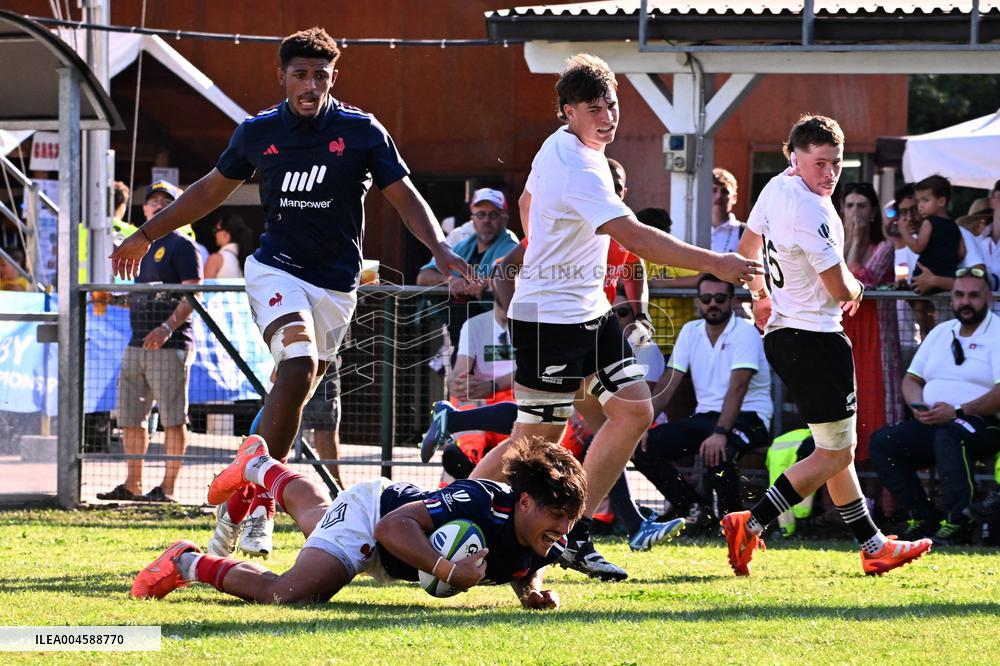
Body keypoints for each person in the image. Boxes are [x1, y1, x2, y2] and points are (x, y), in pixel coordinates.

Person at [110, 28, 466, 552]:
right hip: (275, 268)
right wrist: (145, 232)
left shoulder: (362, 131)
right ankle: (266, 501)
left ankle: (240, 505)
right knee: (296, 367)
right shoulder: (257, 133)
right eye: (300, 74)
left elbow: (405, 196)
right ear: (282, 77)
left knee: (292, 390)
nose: (310, 84)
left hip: (337, 286)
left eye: (320, 75)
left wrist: (442, 250)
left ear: (332, 78)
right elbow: (210, 189)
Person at [468, 53, 758, 581]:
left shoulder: (573, 150)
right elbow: (634, 236)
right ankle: (447, 512)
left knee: (634, 413)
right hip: (548, 319)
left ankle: (572, 535)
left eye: (613, 103)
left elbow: (528, 200)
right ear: (567, 112)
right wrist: (719, 262)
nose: (608, 115)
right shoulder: (578, 164)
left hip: (589, 311)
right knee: (531, 447)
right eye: (593, 107)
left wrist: (547, 245)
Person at [727, 114, 932, 577]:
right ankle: (751, 521)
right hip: (815, 338)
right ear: (793, 157)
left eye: (836, 164)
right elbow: (840, 287)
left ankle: (872, 544)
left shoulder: (777, 187)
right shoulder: (813, 209)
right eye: (819, 163)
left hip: (786, 333)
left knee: (833, 445)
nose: (829, 174)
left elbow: (746, 248)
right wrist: (859, 291)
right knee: (837, 452)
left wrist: (759, 297)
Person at [131, 435, 584, 611]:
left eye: (570, 521)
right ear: (524, 501)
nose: (563, 530)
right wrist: (447, 570)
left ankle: (259, 467)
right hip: (377, 515)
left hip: (395, 555)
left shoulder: (538, 538)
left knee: (315, 519)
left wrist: (531, 592)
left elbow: (522, 557)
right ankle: (187, 561)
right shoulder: (481, 499)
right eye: (556, 517)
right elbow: (391, 528)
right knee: (290, 594)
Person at [870, 267, 1000, 546]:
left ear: (988, 298)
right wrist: (918, 406)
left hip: (983, 422)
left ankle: (958, 521)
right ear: (951, 297)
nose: (966, 302)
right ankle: (924, 518)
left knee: (951, 433)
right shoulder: (942, 332)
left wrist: (957, 411)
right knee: (884, 442)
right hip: (935, 420)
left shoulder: (998, 333)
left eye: (974, 296)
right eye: (960, 295)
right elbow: (911, 379)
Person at [633, 274, 773, 529]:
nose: (713, 304)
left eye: (720, 298)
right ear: (698, 302)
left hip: (750, 416)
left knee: (720, 451)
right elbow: (669, 381)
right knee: (640, 448)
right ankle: (694, 509)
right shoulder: (690, 331)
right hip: (706, 418)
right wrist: (642, 423)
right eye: (706, 298)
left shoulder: (745, 332)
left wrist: (720, 432)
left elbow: (738, 387)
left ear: (731, 301)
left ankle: (735, 523)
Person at [98, 180, 202, 503]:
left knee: (173, 418)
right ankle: (133, 484)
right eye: (152, 201)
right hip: (136, 343)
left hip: (170, 344)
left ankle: (167, 489)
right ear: (143, 209)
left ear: (176, 208)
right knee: (130, 417)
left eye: (165, 201)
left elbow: (193, 294)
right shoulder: (137, 247)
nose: (157, 206)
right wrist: (111, 300)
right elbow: (141, 296)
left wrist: (167, 328)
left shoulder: (183, 245)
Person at [839, 182, 903, 457]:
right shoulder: (832, 247)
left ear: (874, 211)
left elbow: (856, 280)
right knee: (844, 408)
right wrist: (849, 243)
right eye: (850, 205)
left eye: (862, 206)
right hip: (843, 333)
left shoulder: (885, 247)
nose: (856, 212)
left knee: (877, 407)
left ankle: (884, 497)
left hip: (876, 336)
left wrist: (855, 242)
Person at [417, 187, 519, 359]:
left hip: (499, 336)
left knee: (494, 384)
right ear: (472, 218)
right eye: (481, 214)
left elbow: (506, 277)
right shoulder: (463, 244)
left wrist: (489, 284)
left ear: (504, 218)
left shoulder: (510, 246)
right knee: (459, 383)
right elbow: (423, 276)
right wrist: (449, 280)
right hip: (462, 338)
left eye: (493, 214)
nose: (486, 220)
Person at [204, 213, 252, 278]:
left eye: (216, 230)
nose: (215, 234)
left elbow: (205, 288)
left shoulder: (215, 259)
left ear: (226, 233)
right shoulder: (248, 261)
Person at [711, 168, 744, 254]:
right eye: (714, 190)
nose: (718, 196)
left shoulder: (745, 233)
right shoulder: (694, 229)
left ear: (734, 198)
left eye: (724, 191)